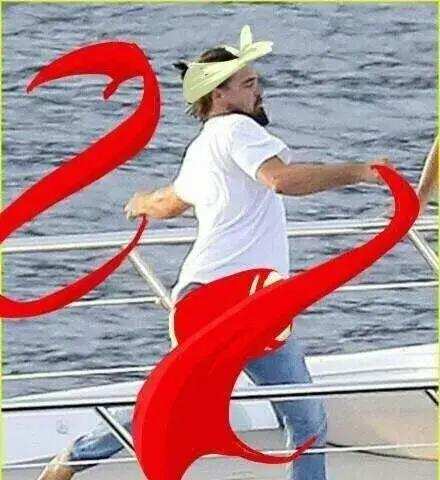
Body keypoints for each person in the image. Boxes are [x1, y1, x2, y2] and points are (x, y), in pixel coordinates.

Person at [38, 25, 388, 480]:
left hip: (221, 301)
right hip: (235, 303)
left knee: (184, 405)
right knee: (304, 422)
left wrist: (141, 202)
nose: (259, 91)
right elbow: (280, 180)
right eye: (248, 83)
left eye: (257, 81)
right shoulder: (239, 130)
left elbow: (171, 202)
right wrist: (360, 172)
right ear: (219, 96)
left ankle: (72, 459)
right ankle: (74, 457)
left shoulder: (203, 147)